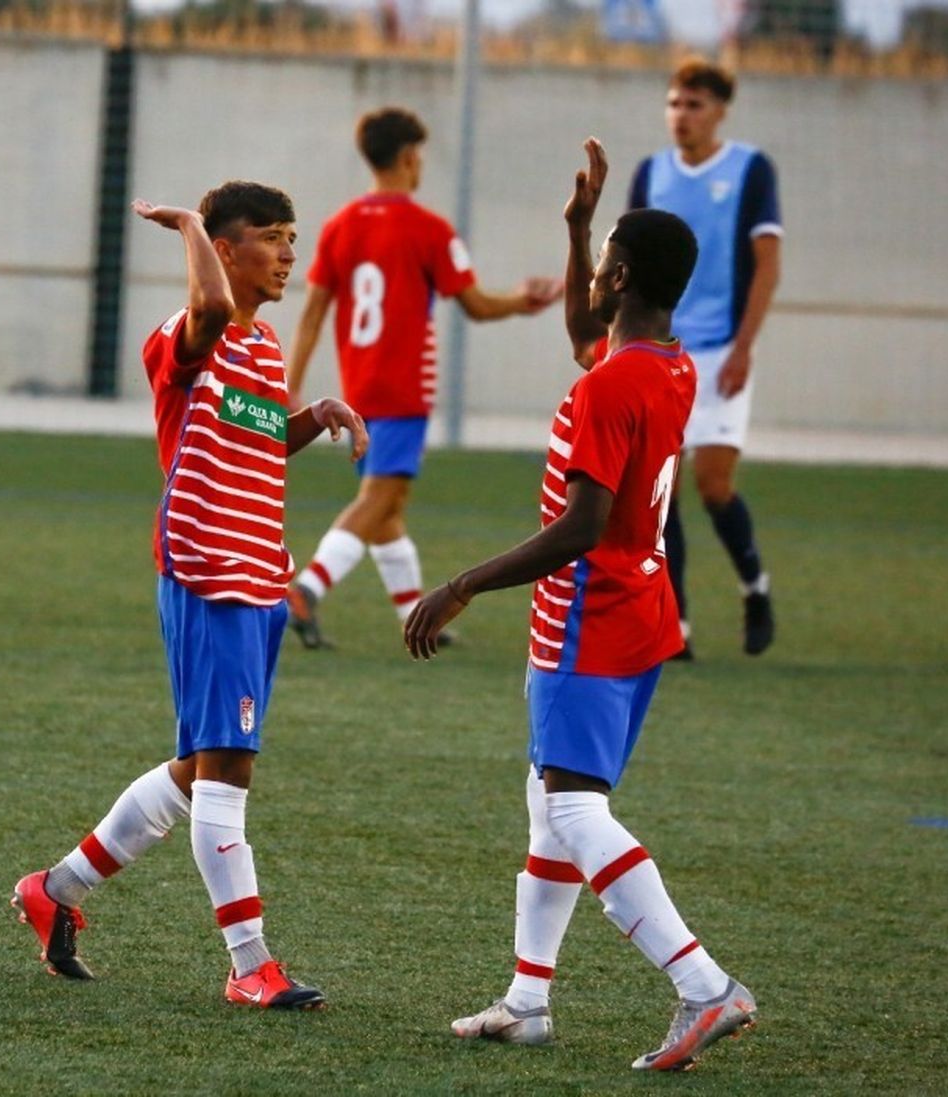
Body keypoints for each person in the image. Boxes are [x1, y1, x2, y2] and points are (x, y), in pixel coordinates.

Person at [406, 139, 756, 1073]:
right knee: (549, 801)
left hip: (588, 614)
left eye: (603, 264)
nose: (592, 277)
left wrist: (461, 584)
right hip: (642, 612)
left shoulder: (612, 384)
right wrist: (576, 229)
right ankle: (528, 999)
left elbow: (580, 527)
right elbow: (583, 327)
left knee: (571, 809)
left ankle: (703, 983)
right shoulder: (664, 363)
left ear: (626, 277)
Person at [11, 182, 368, 1009]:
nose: (288, 254)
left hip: (259, 575)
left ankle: (54, 891)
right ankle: (251, 966)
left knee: (200, 764)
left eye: (292, 237)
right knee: (227, 773)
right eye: (272, 238)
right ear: (226, 247)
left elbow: (262, 436)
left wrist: (314, 413)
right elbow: (206, 304)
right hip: (208, 572)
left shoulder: (265, 345)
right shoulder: (187, 333)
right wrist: (185, 227)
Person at [283, 106, 561, 649]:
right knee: (382, 496)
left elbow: (314, 312)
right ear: (410, 158)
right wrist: (524, 303)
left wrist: (291, 382)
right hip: (406, 387)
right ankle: (305, 592)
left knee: (389, 508)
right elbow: (477, 305)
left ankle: (415, 613)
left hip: (360, 385)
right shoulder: (429, 229)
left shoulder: (341, 225)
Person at [627, 57, 781, 660]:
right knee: (660, 491)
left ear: (719, 111)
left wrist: (744, 347)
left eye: (693, 105)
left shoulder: (749, 169)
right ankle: (678, 625)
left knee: (714, 485)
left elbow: (767, 262)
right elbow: (630, 267)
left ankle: (755, 586)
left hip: (721, 355)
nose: (680, 116)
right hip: (662, 355)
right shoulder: (650, 174)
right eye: (673, 104)